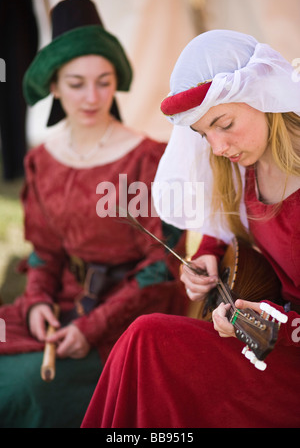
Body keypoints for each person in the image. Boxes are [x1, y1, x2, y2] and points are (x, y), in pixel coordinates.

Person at [81, 29, 300, 428]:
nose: (217, 147)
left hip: (288, 359)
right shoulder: (244, 167)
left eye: (225, 123)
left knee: (152, 346)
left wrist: (276, 324)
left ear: (265, 96)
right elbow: (226, 227)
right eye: (203, 134)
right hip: (264, 342)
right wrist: (207, 256)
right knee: (145, 338)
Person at [0, 0, 187, 428]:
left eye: (103, 82)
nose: (91, 97)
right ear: (54, 86)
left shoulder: (145, 160)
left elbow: (162, 267)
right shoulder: (43, 160)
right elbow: (43, 254)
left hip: (132, 315)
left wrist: (92, 327)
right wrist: (36, 303)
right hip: (63, 302)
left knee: (23, 388)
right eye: (77, 83)